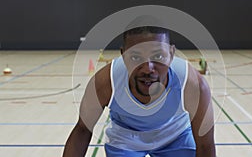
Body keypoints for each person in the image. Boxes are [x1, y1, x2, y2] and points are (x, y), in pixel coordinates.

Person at [63, 26, 216, 157]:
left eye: (158, 56)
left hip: (175, 134)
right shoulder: (106, 82)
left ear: (171, 54)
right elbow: (83, 129)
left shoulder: (192, 84)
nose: (147, 68)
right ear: (123, 55)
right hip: (126, 137)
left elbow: (205, 145)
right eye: (136, 57)